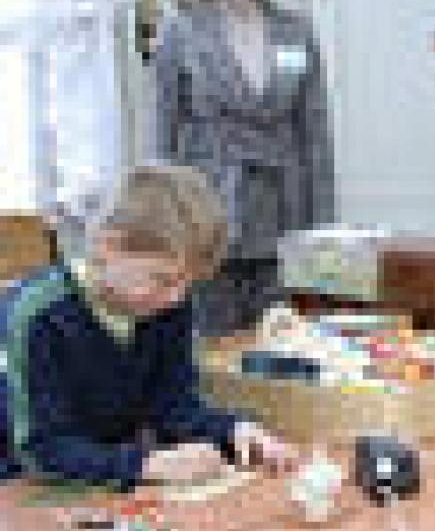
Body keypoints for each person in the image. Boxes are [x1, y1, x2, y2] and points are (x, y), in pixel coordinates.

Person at [0, 164, 298, 487]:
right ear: (107, 248)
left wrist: (234, 430)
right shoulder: (38, 316)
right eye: (163, 279)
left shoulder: (164, 305)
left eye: (188, 284)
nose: (178, 297)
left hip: (101, 475)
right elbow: (41, 451)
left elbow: (174, 407)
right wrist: (145, 465)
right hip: (19, 481)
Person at [152, 0, 334, 337]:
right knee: (213, 345)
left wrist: (323, 226)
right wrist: (169, 223)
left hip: (284, 209)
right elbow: (164, 133)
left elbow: (314, 132)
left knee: (281, 344)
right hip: (210, 211)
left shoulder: (296, 31)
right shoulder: (181, 31)